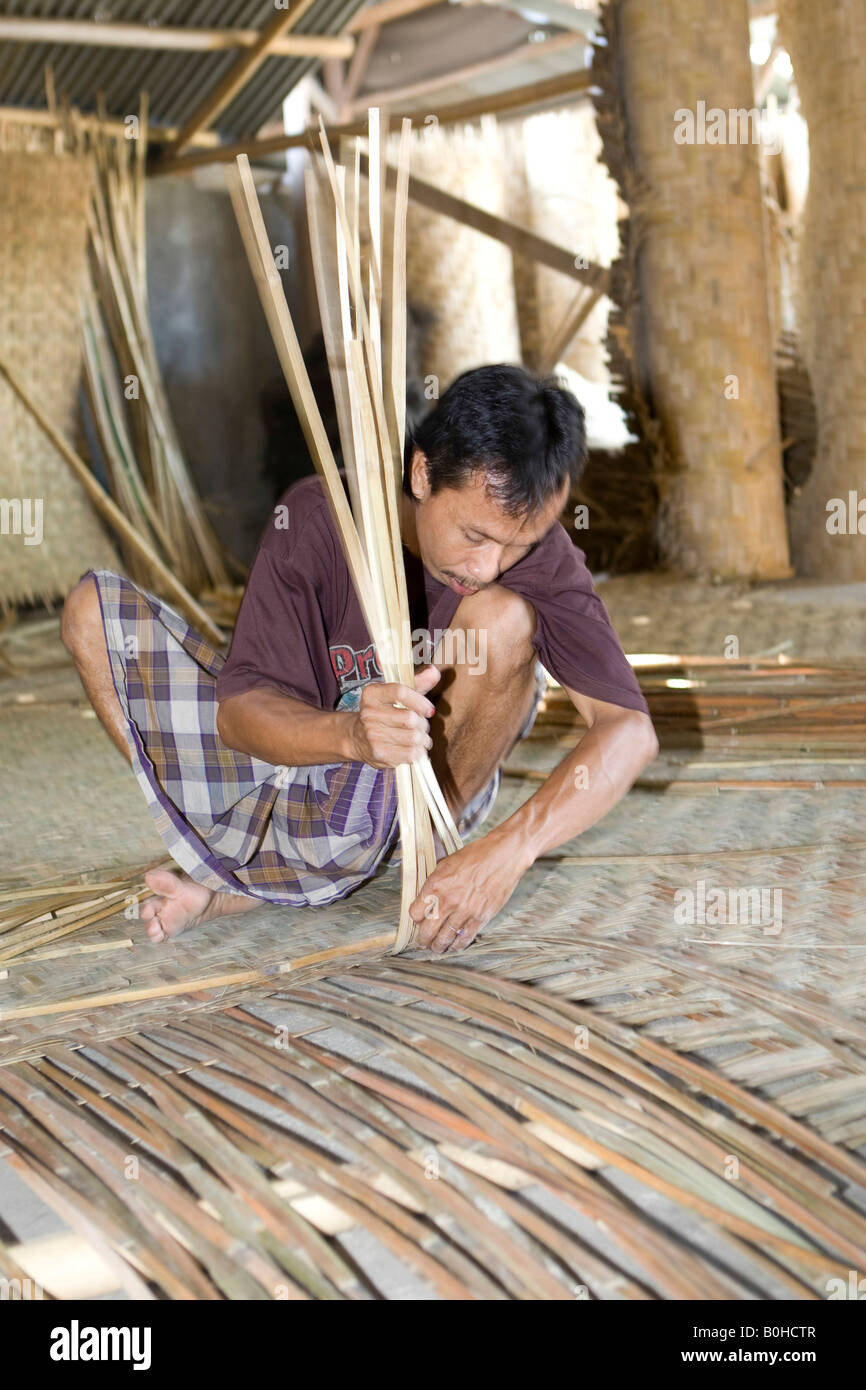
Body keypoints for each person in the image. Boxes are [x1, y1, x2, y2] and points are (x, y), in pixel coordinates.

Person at [61, 364, 658, 956]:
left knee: (505, 619)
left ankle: (276, 874)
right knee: (92, 611)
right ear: (422, 472)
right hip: (308, 764)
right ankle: (240, 868)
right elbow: (240, 715)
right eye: (475, 537)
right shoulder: (321, 517)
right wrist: (350, 734)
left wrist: (509, 850)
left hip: (420, 798)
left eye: (517, 546)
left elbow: (630, 732)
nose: (489, 567)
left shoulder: (530, 548)